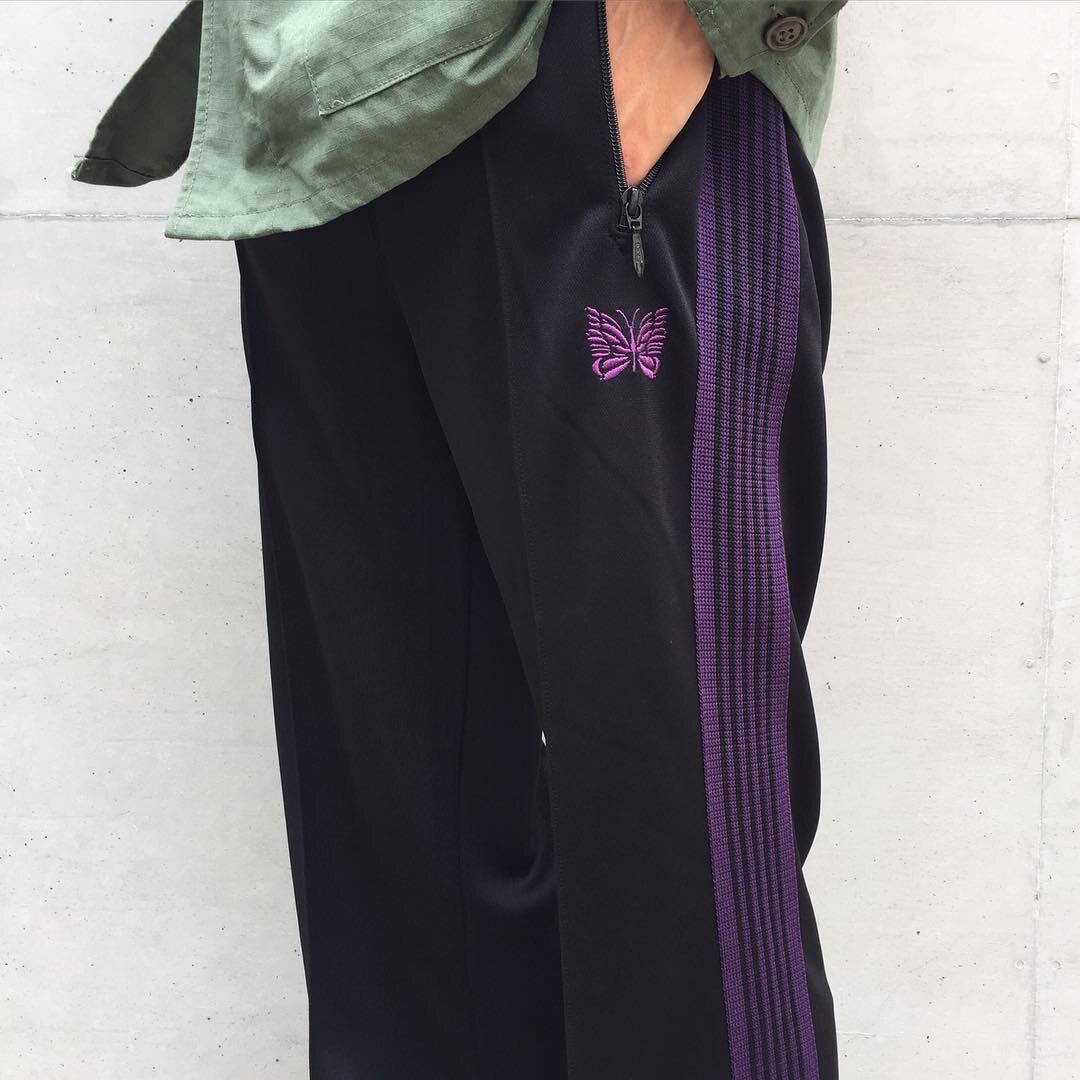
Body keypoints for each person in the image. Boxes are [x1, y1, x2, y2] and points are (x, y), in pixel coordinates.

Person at [74, 2, 847, 1077]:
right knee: (402, 873)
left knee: (680, 848)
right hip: (313, 113)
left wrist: (665, 29)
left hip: (572, 71)